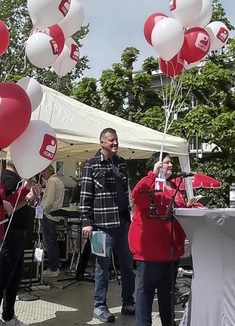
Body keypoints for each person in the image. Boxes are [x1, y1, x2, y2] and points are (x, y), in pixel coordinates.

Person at [128, 152, 193, 326]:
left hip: (170, 251)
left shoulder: (173, 187)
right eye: (165, 163)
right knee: (146, 293)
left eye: (171, 162)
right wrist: (152, 175)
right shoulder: (149, 185)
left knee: (168, 294)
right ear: (155, 166)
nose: (170, 165)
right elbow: (137, 196)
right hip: (150, 251)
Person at [80, 127, 136, 323]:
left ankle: (128, 302)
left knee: (128, 266)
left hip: (122, 223)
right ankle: (99, 306)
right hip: (101, 225)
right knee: (101, 268)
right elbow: (85, 196)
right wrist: (86, 222)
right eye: (111, 140)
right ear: (102, 142)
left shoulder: (121, 163)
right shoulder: (91, 164)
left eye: (116, 140)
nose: (115, 143)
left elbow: (126, 191)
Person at [0, 155, 37, 326]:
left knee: (14, 276)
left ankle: (8, 315)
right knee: (4, 277)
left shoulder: (14, 179)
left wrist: (29, 197)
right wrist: (27, 196)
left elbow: (15, 203)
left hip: (17, 233)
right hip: (10, 233)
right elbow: (8, 206)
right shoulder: (9, 179)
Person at [40, 164, 65, 278]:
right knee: (53, 242)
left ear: (50, 171)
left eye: (43, 171)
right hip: (55, 215)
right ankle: (56, 266)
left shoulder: (51, 182)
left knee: (49, 243)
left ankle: (53, 267)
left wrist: (39, 212)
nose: (42, 174)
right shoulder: (59, 181)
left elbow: (49, 201)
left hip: (48, 215)